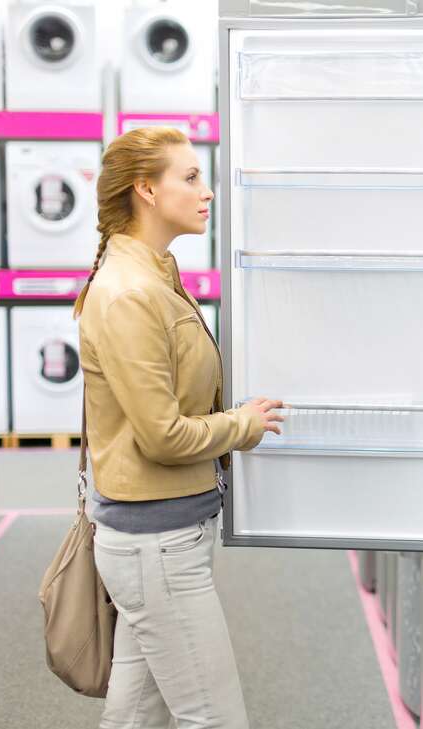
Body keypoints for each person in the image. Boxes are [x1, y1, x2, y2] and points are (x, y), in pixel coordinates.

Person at [74, 127, 284, 729]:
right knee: (214, 719)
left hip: (158, 537)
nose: (207, 192)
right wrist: (241, 425)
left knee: (135, 716)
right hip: (155, 546)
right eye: (190, 178)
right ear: (145, 189)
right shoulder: (130, 294)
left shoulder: (153, 274)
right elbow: (162, 435)